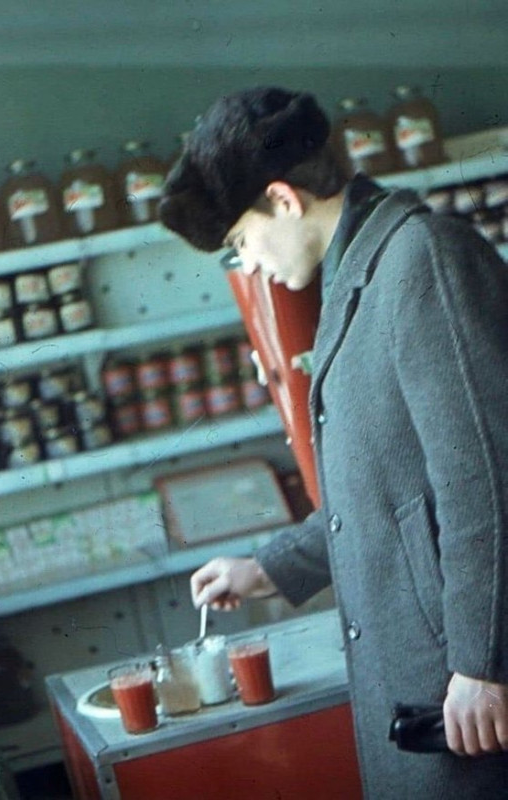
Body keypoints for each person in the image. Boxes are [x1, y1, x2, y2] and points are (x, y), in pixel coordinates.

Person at [159, 86, 508, 798]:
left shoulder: (422, 259)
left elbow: (485, 478)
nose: (249, 265)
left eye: (240, 243)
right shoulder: (360, 275)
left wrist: (484, 662)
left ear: (283, 200)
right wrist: (268, 567)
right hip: (430, 687)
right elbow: (390, 492)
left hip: (465, 693)